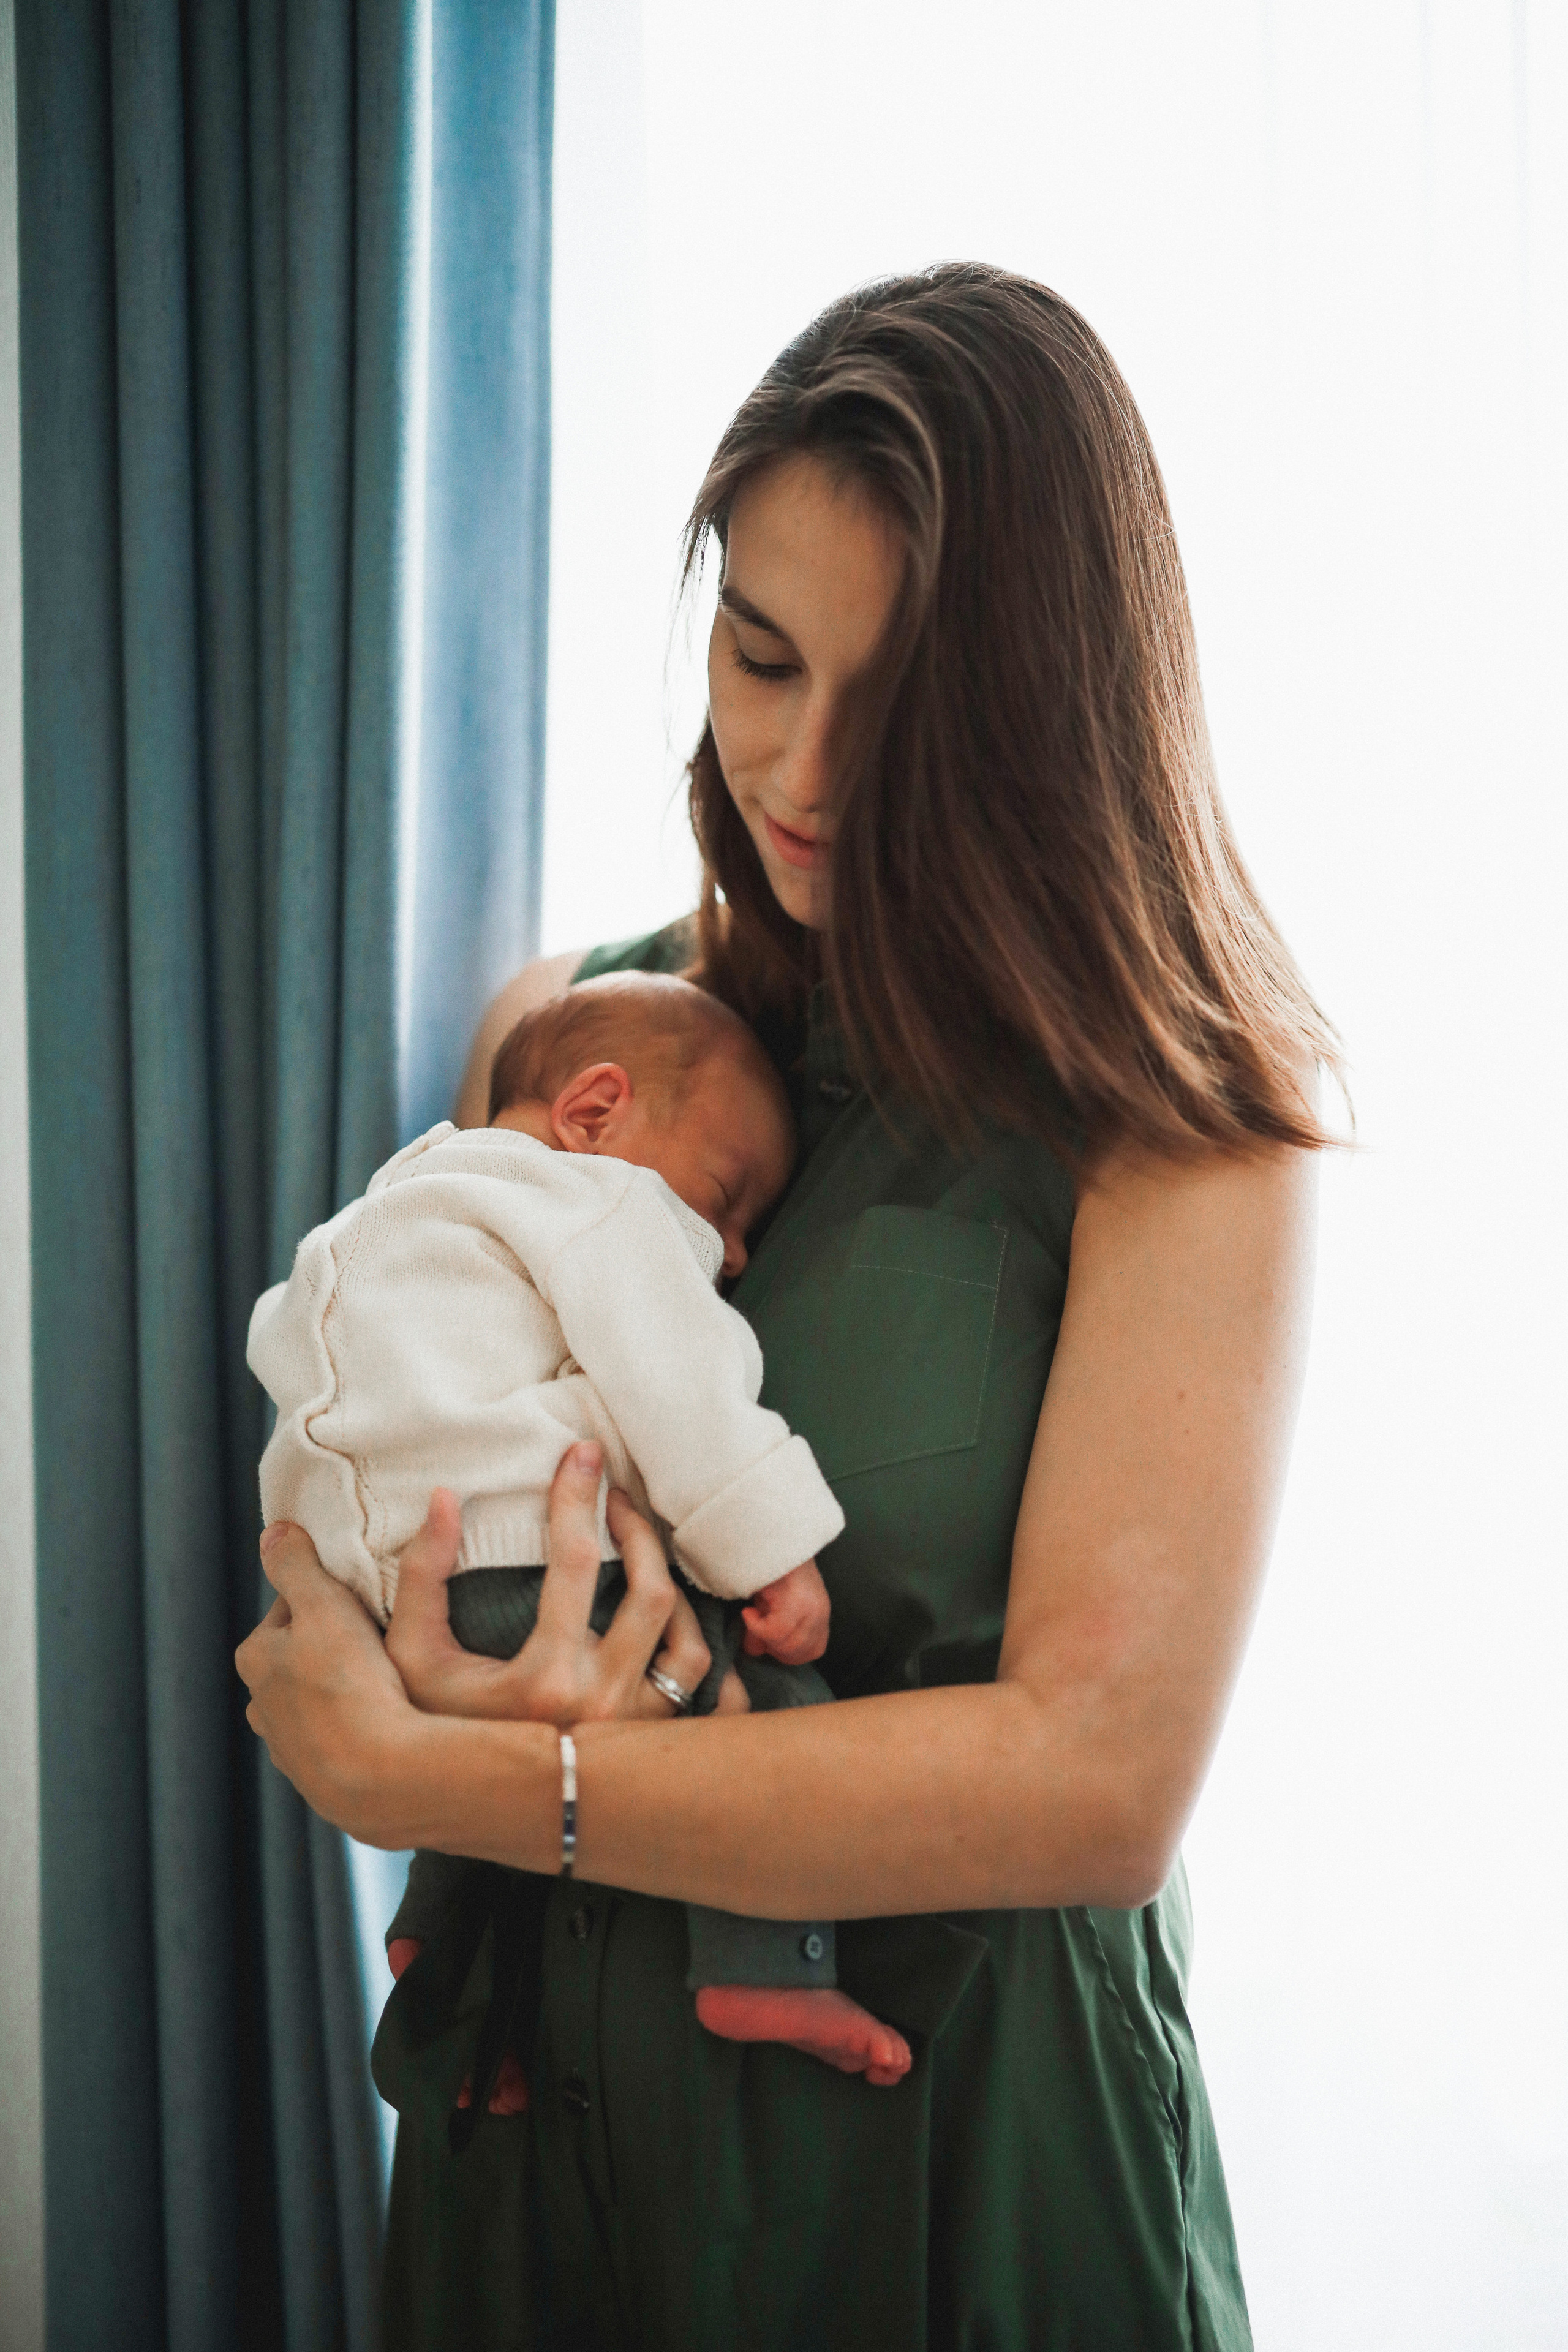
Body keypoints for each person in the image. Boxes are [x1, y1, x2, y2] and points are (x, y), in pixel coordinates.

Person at [238, 262, 1337, 2352]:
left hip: (953, 2169)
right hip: (540, 2141)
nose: (801, 768)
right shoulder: (587, 1039)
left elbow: (1096, 1792)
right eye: (757, 657)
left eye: (895, 701)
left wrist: (450, 1785)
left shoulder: (1186, 1131)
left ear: (1040, 715)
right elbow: (392, 1455)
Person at [245, 970, 910, 2113]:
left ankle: (437, 1952)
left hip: (388, 1599)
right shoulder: (592, 1201)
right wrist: (773, 1553)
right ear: (594, 1113)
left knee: (484, 1772)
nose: (736, 1252)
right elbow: (681, 1384)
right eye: (726, 1196)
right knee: (774, 1710)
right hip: (518, 1555)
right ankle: (766, 1971)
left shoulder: (385, 1215)